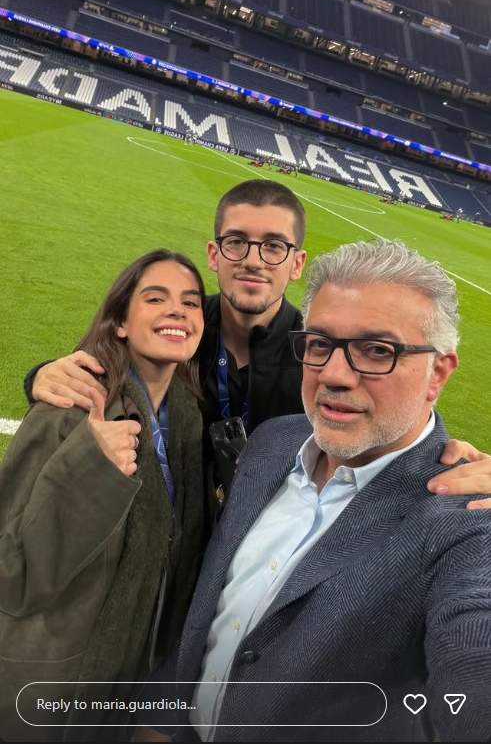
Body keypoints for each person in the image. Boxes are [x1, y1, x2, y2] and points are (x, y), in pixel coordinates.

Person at [144, 239, 491, 743]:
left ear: (437, 372)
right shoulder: (273, 441)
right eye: (320, 344)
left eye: (378, 351)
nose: (334, 374)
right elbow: (215, 609)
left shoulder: (469, 519)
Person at [23, 180, 491, 503]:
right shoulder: (173, 330)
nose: (253, 260)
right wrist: (43, 376)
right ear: (214, 254)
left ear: (296, 263)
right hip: (167, 525)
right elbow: (99, 366)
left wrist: (445, 455)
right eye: (236, 242)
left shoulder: (321, 353)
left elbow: (388, 412)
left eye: (273, 246)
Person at [0, 249, 208, 742]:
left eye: (190, 302)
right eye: (155, 298)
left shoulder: (188, 419)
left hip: (123, 686)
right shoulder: (67, 411)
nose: (177, 311)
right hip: (48, 690)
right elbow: (10, 574)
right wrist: (88, 470)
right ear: (120, 323)